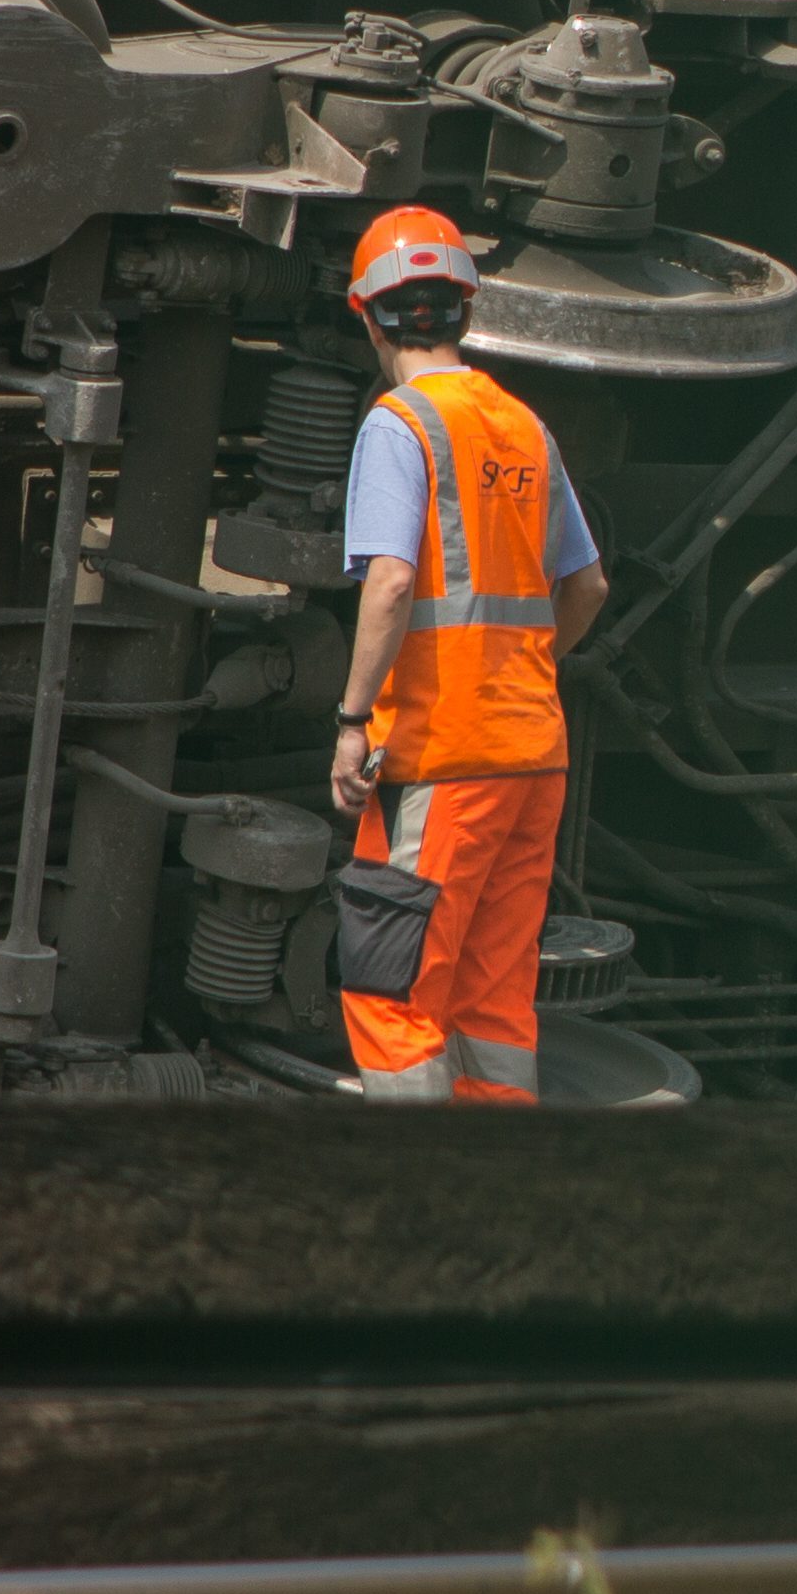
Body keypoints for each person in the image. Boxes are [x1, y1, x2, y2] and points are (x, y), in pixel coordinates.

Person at [324, 207, 608, 1104]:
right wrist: (516, 675)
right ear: (466, 312)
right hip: (534, 754)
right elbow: (589, 588)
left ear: (368, 315)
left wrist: (347, 722)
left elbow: (393, 582)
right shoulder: (522, 426)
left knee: (391, 991)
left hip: (442, 754)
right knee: (491, 1000)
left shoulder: (399, 424)